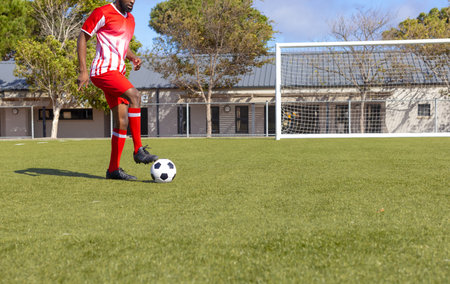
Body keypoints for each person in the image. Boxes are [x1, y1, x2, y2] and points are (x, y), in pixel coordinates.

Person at [77, 0, 158, 181]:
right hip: (103, 71)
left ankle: (113, 170)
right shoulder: (103, 12)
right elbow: (83, 36)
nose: (132, 1)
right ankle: (138, 150)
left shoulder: (131, 20)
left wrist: (132, 57)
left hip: (117, 72)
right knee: (135, 96)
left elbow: (121, 45)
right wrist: (83, 72)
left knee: (122, 122)